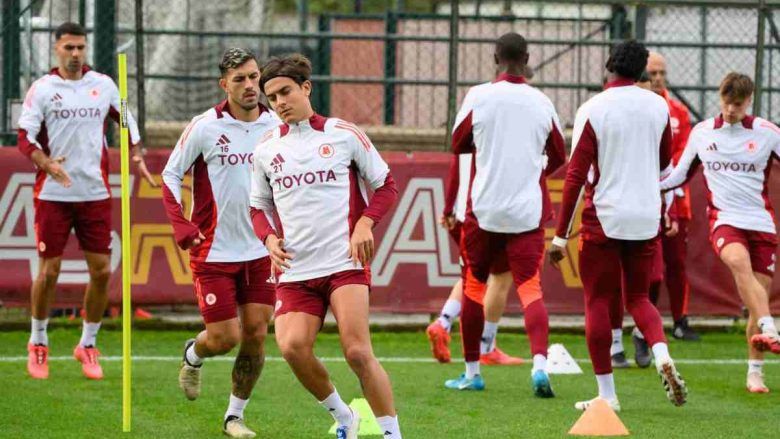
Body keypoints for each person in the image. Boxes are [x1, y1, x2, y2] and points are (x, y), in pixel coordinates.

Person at [250, 54, 402, 439]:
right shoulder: (266, 148)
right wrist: (268, 239)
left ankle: (391, 434)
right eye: (271, 97)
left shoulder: (343, 134)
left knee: (356, 352)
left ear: (306, 88)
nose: (279, 102)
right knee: (292, 347)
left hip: (344, 262)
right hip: (296, 270)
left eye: (285, 91)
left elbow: (386, 186)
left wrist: (365, 223)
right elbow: (257, 208)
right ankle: (345, 419)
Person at [548, 40, 687, 411]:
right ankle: (661, 355)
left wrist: (561, 236)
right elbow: (666, 169)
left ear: (610, 65)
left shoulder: (594, 108)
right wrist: (668, 208)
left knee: (598, 299)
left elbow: (576, 176)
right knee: (639, 298)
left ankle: (607, 395)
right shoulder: (659, 106)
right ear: (642, 69)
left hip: (604, 217)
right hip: (646, 215)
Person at [17, 22, 155, 380]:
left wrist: (135, 149)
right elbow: (24, 137)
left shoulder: (103, 85)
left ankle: (88, 344)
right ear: (56, 49)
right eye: (69, 48)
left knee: (101, 271)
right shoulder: (43, 89)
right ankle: (38, 341)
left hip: (94, 192)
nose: (75, 54)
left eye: (80, 47)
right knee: (49, 272)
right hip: (53, 193)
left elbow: (125, 118)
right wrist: (46, 163)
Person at [161, 48, 279, 438]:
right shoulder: (205, 126)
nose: (250, 86)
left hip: (262, 250)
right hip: (213, 250)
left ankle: (234, 416)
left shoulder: (277, 126)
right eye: (240, 79)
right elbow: (169, 176)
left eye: (254, 77)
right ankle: (194, 354)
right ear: (223, 83)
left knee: (257, 335)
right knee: (224, 338)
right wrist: (180, 223)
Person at [443, 32, 566, 397]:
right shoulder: (542, 102)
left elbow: (457, 143)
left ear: (494, 57)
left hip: (484, 210)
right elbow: (559, 153)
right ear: (527, 58)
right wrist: (534, 168)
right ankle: (540, 367)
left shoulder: (479, 96)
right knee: (530, 289)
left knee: (474, 286)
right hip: (526, 211)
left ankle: (472, 372)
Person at [659, 72, 780, 393]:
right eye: (726, 103)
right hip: (724, 219)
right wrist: (648, 186)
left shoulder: (768, 133)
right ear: (719, 97)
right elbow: (679, 175)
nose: (730, 110)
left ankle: (755, 372)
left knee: (758, 297)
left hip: (762, 224)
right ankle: (770, 326)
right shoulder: (702, 134)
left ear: (749, 101)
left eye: (737, 105)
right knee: (738, 263)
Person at [426, 153, 522, 366]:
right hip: (487, 212)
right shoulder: (498, 125)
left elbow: (457, 162)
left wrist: (449, 206)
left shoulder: (466, 121)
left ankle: (444, 322)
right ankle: (485, 347)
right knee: (500, 277)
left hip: (461, 211)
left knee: (473, 274)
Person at [647, 51, 700, 342]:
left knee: (677, 262)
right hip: (644, 197)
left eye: (660, 73)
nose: (656, 79)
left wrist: (669, 179)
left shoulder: (678, 111)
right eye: (651, 73)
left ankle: (680, 320)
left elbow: (684, 152)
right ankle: (648, 320)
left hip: (677, 198)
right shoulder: (638, 107)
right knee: (648, 265)